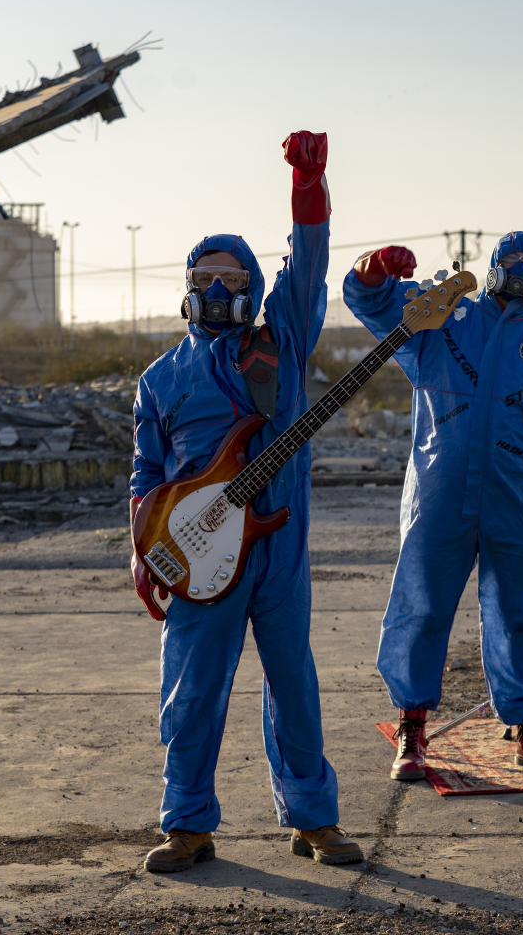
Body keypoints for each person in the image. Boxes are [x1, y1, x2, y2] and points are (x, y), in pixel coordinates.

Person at [129, 132, 364, 872]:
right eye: (206, 277)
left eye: (234, 279)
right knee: (192, 692)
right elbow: (145, 472)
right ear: (187, 285)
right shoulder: (159, 380)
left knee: (293, 683)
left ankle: (313, 819)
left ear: (255, 290)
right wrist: (144, 550)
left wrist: (308, 185)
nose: (219, 290)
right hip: (198, 556)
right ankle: (187, 824)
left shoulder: (282, 343)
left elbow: (311, 261)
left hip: (279, 548)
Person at [344, 231, 523, 780]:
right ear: (492, 266)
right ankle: (412, 726)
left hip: (516, 495)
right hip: (438, 492)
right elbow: (370, 302)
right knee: (421, 605)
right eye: (511, 261)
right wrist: (374, 265)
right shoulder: (442, 320)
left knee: (519, 611)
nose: (520, 270)